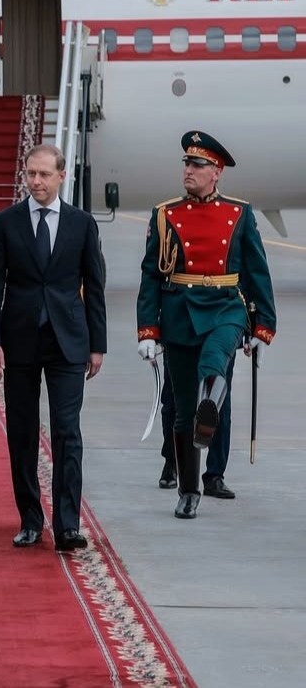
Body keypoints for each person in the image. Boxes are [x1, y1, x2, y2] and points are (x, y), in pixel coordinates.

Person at [137, 130, 275, 519]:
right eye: (187, 163)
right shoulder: (165, 214)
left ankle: (209, 409)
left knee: (215, 359)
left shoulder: (239, 213)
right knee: (182, 410)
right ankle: (188, 491)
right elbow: (151, 275)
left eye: (198, 165)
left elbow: (257, 272)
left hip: (226, 306)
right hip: (180, 310)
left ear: (217, 172)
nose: (189, 170)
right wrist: (147, 329)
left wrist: (263, 327)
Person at [0, 143, 107, 552]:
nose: (36, 181)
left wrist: (97, 345)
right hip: (18, 341)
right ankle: (30, 519)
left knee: (68, 432)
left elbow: (95, 286)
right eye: (31, 173)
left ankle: (67, 525)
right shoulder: (6, 222)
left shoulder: (82, 224)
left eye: (44, 175)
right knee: (22, 431)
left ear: (61, 177)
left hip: (68, 340)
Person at [158, 352, 235, 498]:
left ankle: (215, 474)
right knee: (174, 397)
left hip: (221, 339)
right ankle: (172, 460)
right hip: (181, 338)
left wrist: (255, 337)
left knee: (219, 400)